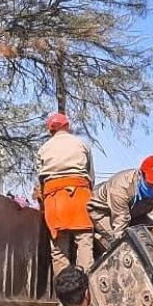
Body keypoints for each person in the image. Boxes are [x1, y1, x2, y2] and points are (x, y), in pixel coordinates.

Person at [37, 112, 95, 276]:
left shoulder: (43, 149)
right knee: (84, 242)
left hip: (55, 201)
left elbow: (41, 181)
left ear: (50, 131)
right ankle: (86, 294)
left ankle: (65, 298)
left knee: (59, 251)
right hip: (80, 197)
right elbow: (91, 177)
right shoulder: (82, 145)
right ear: (67, 127)